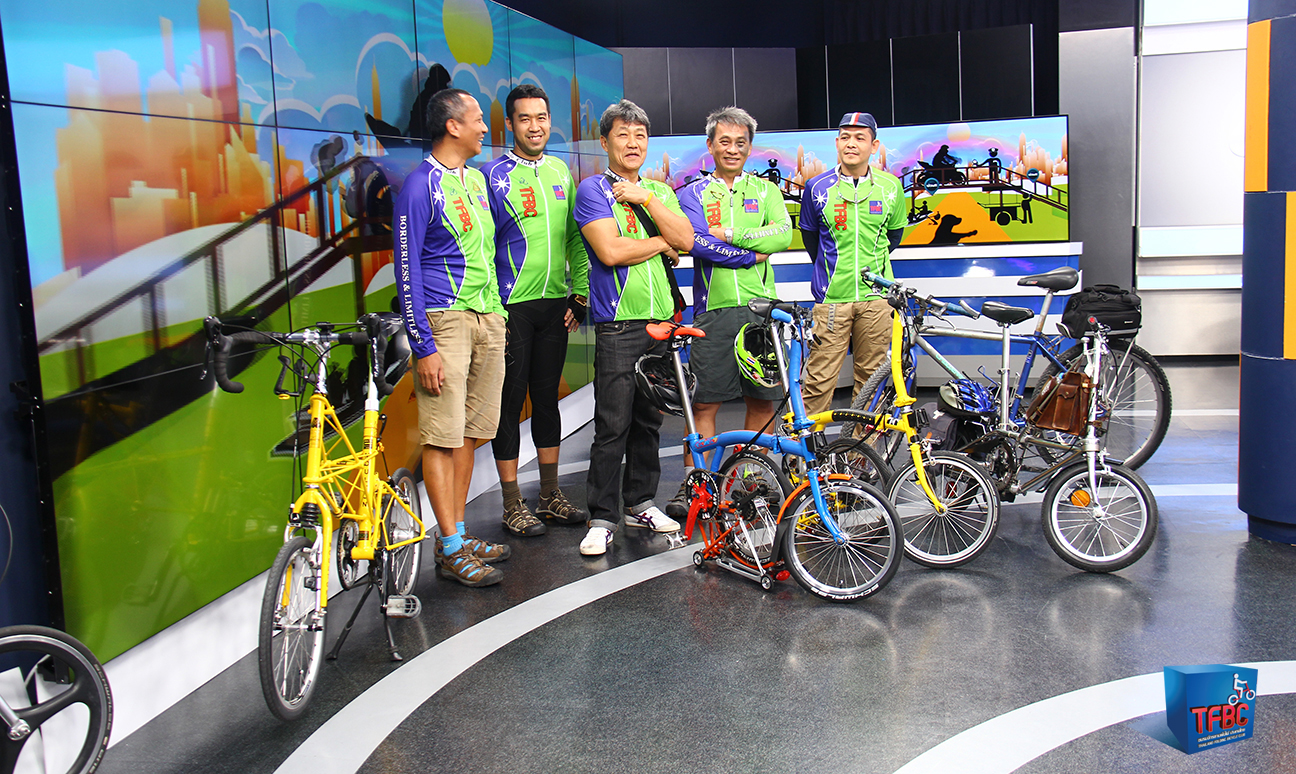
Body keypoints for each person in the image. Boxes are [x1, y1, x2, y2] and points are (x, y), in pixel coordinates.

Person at [394, 88, 511, 587]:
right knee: (441, 436)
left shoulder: (477, 180)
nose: (485, 127)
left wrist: (498, 312)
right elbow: (406, 269)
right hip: (444, 321)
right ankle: (447, 546)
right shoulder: (419, 185)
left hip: (488, 317)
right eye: (478, 119)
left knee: (471, 432)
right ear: (452, 126)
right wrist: (424, 346)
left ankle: (458, 535)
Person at [572, 99, 695, 557]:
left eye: (640, 135)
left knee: (649, 421)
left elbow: (687, 240)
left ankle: (640, 502)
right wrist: (661, 241)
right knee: (612, 424)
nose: (632, 143)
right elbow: (611, 252)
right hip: (618, 325)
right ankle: (602, 517)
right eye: (622, 134)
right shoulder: (592, 190)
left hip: (662, 323)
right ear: (605, 142)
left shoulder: (659, 192)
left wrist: (648, 202)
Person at [668, 106, 792, 518]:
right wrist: (750, 254)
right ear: (710, 145)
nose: (733, 149)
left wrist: (733, 234)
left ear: (750, 147)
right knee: (704, 405)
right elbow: (698, 243)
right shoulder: (692, 193)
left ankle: (751, 482)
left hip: (761, 312)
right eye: (724, 141)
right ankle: (696, 486)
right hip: (713, 313)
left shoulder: (767, 191)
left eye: (741, 142)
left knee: (762, 402)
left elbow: (783, 235)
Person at [480, 85, 590, 538]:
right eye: (524, 118)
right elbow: (481, 247)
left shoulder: (561, 171)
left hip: (554, 308)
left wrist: (580, 294)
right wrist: (494, 309)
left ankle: (549, 496)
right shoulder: (491, 176)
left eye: (541, 117)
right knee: (509, 404)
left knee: (546, 401)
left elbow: (575, 239)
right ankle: (511, 504)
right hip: (512, 310)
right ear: (510, 124)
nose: (535, 126)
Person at [798, 112, 907, 417]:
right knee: (818, 380)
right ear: (837, 143)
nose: (851, 144)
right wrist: (833, 271)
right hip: (832, 298)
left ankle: (861, 447)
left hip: (877, 299)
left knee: (871, 380)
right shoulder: (816, 187)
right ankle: (806, 446)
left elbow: (893, 237)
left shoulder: (890, 187)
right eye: (845, 137)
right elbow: (811, 239)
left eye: (860, 138)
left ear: (874, 146)